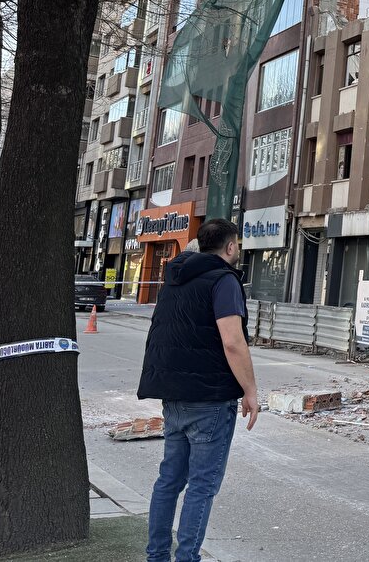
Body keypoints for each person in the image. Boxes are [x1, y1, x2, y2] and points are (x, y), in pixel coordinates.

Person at [139, 219, 259, 562]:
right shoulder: (223, 280)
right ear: (231, 247)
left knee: (169, 481)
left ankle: (157, 556)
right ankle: (186, 559)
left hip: (173, 396)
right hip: (210, 399)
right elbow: (233, 342)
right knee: (202, 487)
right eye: (237, 244)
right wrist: (250, 391)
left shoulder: (174, 279)